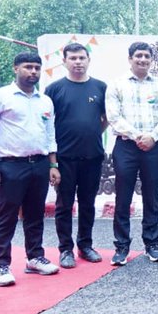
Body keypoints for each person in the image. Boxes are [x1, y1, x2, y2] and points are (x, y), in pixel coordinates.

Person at [0, 52, 61, 286]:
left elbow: (50, 135)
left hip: (40, 164)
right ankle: (0, 265)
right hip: (10, 165)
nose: (33, 71)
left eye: (37, 67)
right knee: (7, 216)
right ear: (15, 68)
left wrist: (53, 164)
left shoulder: (45, 101)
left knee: (35, 214)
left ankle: (34, 258)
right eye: (28, 67)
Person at [105, 41, 158, 265]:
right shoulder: (117, 85)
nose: (142, 59)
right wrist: (138, 136)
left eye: (146, 56)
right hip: (126, 147)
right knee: (122, 197)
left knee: (151, 196)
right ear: (130, 58)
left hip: (154, 147)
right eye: (138, 56)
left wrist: (152, 137)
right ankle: (122, 247)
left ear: (151, 59)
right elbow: (114, 117)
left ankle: (152, 244)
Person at [45, 41, 107, 267]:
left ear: (88, 60)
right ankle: (65, 249)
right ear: (64, 61)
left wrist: (90, 134)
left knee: (88, 203)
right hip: (64, 158)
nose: (78, 62)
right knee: (64, 205)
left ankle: (85, 245)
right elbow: (47, 124)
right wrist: (52, 162)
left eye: (82, 58)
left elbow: (106, 118)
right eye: (73, 58)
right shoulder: (54, 89)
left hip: (92, 156)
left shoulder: (100, 87)